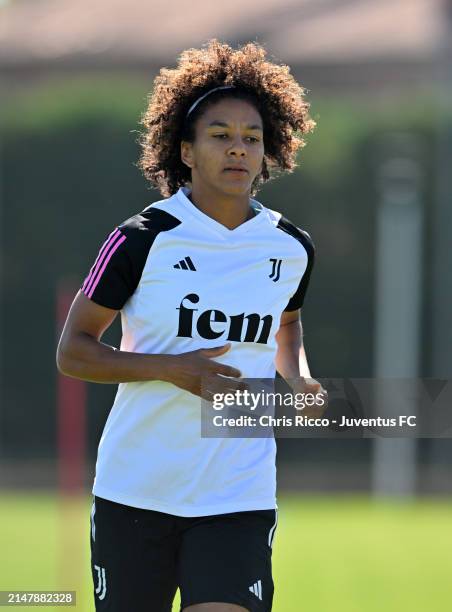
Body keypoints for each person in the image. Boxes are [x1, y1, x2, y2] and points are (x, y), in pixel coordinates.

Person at [56, 39, 325, 612]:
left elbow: (287, 325)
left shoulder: (290, 247)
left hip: (238, 492)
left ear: (268, 151)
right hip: (137, 490)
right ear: (185, 149)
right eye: (220, 135)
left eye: (252, 138)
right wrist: (173, 371)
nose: (238, 150)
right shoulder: (142, 238)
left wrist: (298, 376)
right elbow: (74, 351)